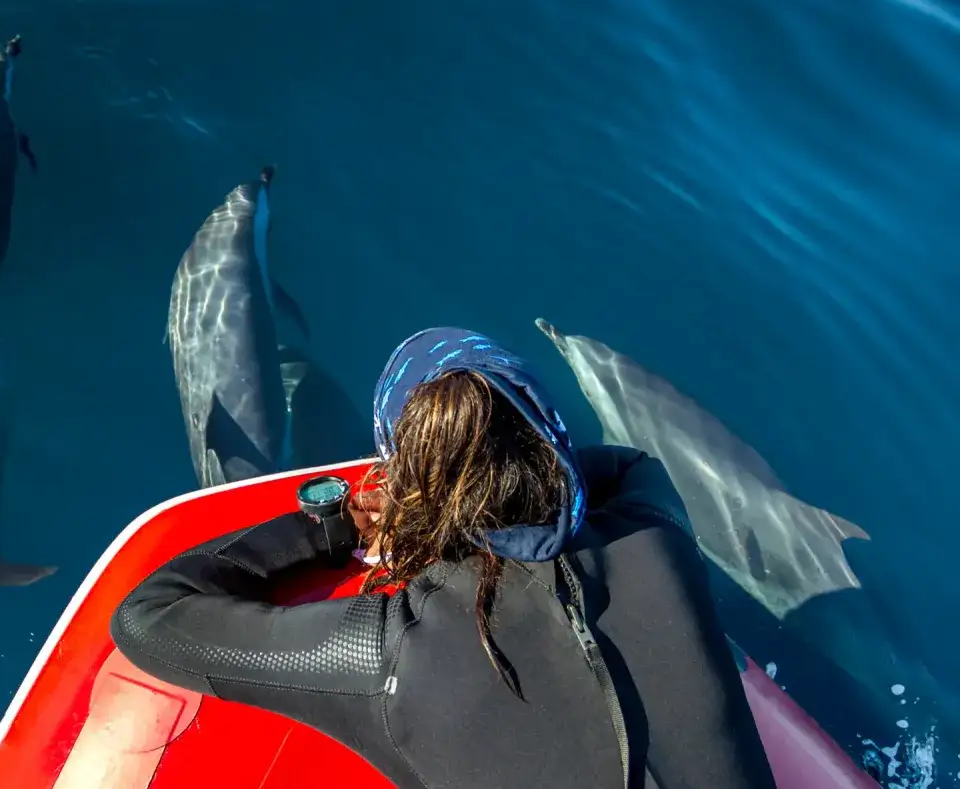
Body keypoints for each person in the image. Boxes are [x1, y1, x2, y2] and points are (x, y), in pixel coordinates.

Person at [111, 328, 778, 789]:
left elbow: (147, 616)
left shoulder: (389, 652)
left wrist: (336, 524)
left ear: (405, 489)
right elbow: (633, 463)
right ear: (552, 441)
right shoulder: (653, 531)